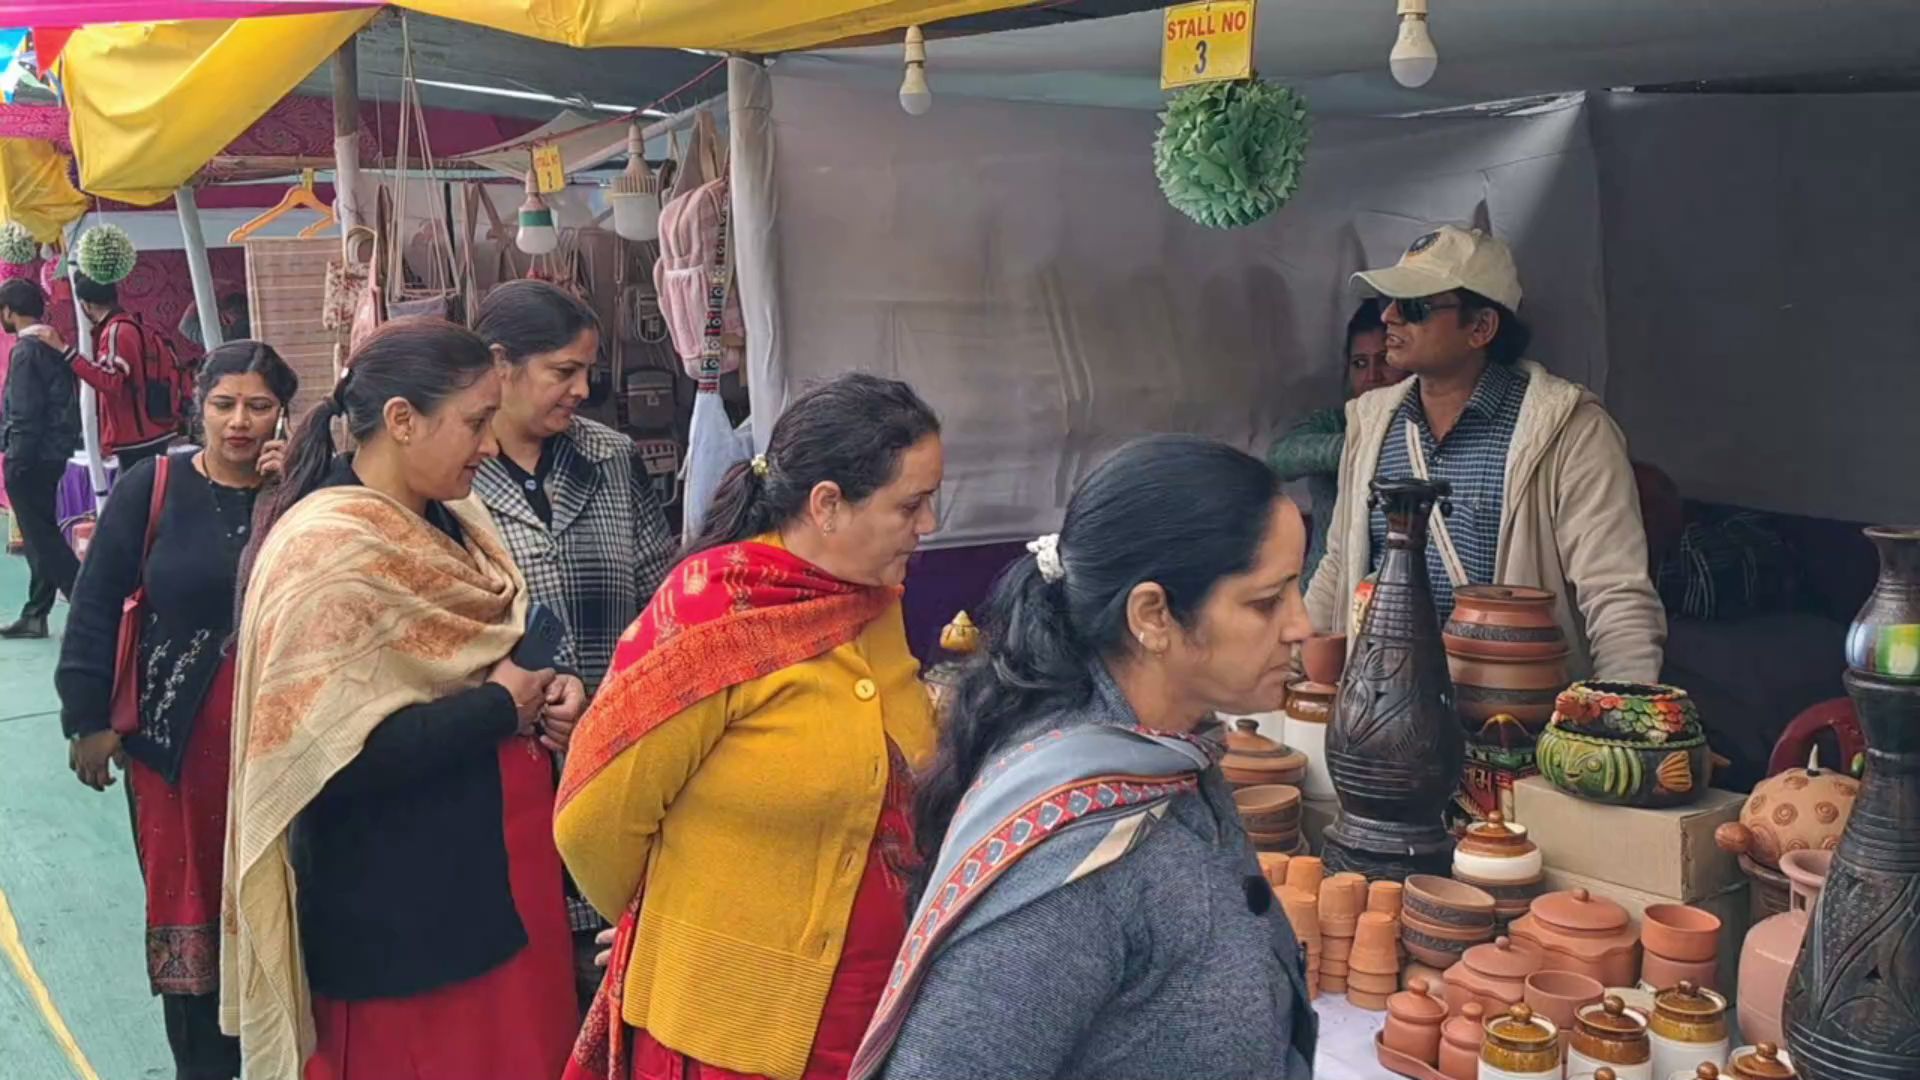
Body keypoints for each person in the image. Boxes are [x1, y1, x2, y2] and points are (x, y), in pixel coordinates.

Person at [852, 435, 1319, 1080]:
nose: (1301, 625)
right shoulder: (1077, 858)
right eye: (1268, 600)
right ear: (1153, 615)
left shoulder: (1170, 762)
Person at [221, 319, 584, 1080]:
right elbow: (324, 757)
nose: (490, 445)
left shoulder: (453, 521)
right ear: (401, 420)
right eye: (476, 422)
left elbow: (486, 659)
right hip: (404, 914)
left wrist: (547, 690)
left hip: (503, 878)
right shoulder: (326, 554)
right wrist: (498, 709)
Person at [553, 373, 943, 1080]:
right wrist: (671, 917)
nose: (930, 526)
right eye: (911, 505)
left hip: (869, 1017)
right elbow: (591, 819)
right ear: (828, 504)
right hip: (725, 1037)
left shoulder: (873, 609)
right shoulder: (712, 616)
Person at [54, 340, 295, 1080]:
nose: (240, 423)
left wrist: (298, 493)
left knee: (286, 905)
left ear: (284, 412)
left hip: (286, 748)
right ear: (200, 405)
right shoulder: (151, 485)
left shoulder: (303, 491)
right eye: (224, 404)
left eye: (259, 406)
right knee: (191, 912)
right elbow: (97, 600)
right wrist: (86, 717)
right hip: (177, 751)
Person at [1305, 225, 1665, 682]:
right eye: (1387, 303)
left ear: (1481, 327)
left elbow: (1616, 593)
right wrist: (1294, 665)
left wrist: (1618, 721)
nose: (1390, 317)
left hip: (1510, 724)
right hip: (1381, 711)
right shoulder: (1371, 422)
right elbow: (1340, 562)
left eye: (1414, 306)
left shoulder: (1570, 431)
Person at [471, 279, 676, 1013]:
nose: (582, 390)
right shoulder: (452, 479)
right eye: (563, 371)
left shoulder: (611, 459)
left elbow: (661, 603)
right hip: (502, 790)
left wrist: (617, 695)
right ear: (501, 365)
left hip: (618, 761)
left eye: (588, 372)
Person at [1267, 298, 1408, 586]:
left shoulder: (1429, 431)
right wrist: (1362, 447)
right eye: (1360, 364)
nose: (1372, 376)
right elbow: (1280, 458)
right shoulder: (1335, 422)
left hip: (1396, 591)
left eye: (1385, 360)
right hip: (1325, 591)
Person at [0, 278, 81, 638]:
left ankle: (86, 602)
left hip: (31, 456)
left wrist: (15, 459)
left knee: (43, 537)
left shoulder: (26, 351)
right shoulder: (51, 345)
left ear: (9, 312)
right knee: (38, 536)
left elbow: (24, 413)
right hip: (52, 452)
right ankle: (36, 612)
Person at [67, 272, 180, 469]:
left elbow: (111, 380)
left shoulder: (116, 331)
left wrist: (69, 355)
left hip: (135, 433)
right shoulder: (133, 325)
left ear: (86, 305)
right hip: (153, 426)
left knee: (134, 495)